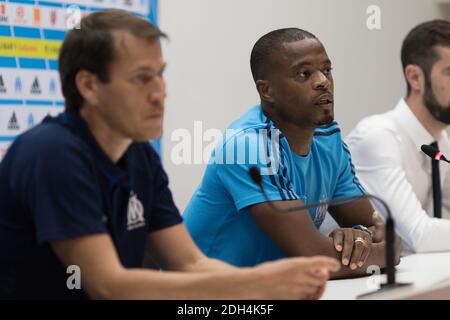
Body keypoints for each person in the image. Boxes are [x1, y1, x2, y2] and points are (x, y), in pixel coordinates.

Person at [0, 10, 340, 299]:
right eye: (141, 78)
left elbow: (191, 263)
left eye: (160, 75)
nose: (159, 93)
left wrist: (269, 286)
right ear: (89, 86)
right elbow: (108, 284)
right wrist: (260, 283)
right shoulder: (52, 153)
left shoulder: (139, 156)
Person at [184, 28, 398, 278]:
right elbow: (314, 257)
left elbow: (383, 231)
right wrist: (385, 252)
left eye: (327, 70)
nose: (323, 81)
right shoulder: (249, 146)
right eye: (304, 74)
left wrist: (362, 236)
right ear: (267, 91)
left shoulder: (328, 139)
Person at [346, 20, 450, 254]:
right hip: (355, 284)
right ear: (415, 78)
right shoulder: (378, 137)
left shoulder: (441, 142)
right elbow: (418, 236)